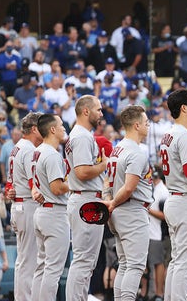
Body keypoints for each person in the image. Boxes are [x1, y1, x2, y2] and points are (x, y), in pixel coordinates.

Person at [104, 105, 154, 300]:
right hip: (131, 210)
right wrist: (113, 203)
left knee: (125, 264)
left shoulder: (116, 149)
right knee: (135, 265)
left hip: (118, 211)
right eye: (146, 123)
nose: (148, 126)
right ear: (136, 125)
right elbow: (129, 187)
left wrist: (109, 202)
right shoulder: (136, 152)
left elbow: (106, 184)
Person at [160, 89, 187, 300]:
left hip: (174, 198)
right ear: (184, 108)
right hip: (185, 200)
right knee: (185, 263)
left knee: (177, 261)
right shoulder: (185, 135)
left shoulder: (168, 133)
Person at [64, 95, 108, 301]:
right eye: (98, 109)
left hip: (86, 198)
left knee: (86, 262)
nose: (101, 113)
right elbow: (82, 172)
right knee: (83, 260)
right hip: (86, 199)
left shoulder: (80, 135)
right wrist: (103, 165)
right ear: (86, 111)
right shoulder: (81, 136)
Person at [31, 114, 70, 301]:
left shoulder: (37, 151)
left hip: (42, 211)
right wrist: (76, 183)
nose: (64, 128)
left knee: (42, 267)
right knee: (53, 270)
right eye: (61, 125)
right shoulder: (52, 154)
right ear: (52, 129)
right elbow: (57, 188)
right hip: (54, 212)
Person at [4, 112, 43, 301]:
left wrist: (10, 192)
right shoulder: (28, 149)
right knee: (29, 261)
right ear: (34, 129)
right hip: (27, 206)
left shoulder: (17, 148)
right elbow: (33, 183)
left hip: (19, 205)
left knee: (23, 260)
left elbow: (9, 184)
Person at [147, 167, 168, 301]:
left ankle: (160, 293)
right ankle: (149, 292)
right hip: (150, 232)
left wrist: (148, 210)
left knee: (160, 263)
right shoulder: (154, 188)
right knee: (150, 264)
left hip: (160, 233)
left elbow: (166, 215)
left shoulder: (162, 191)